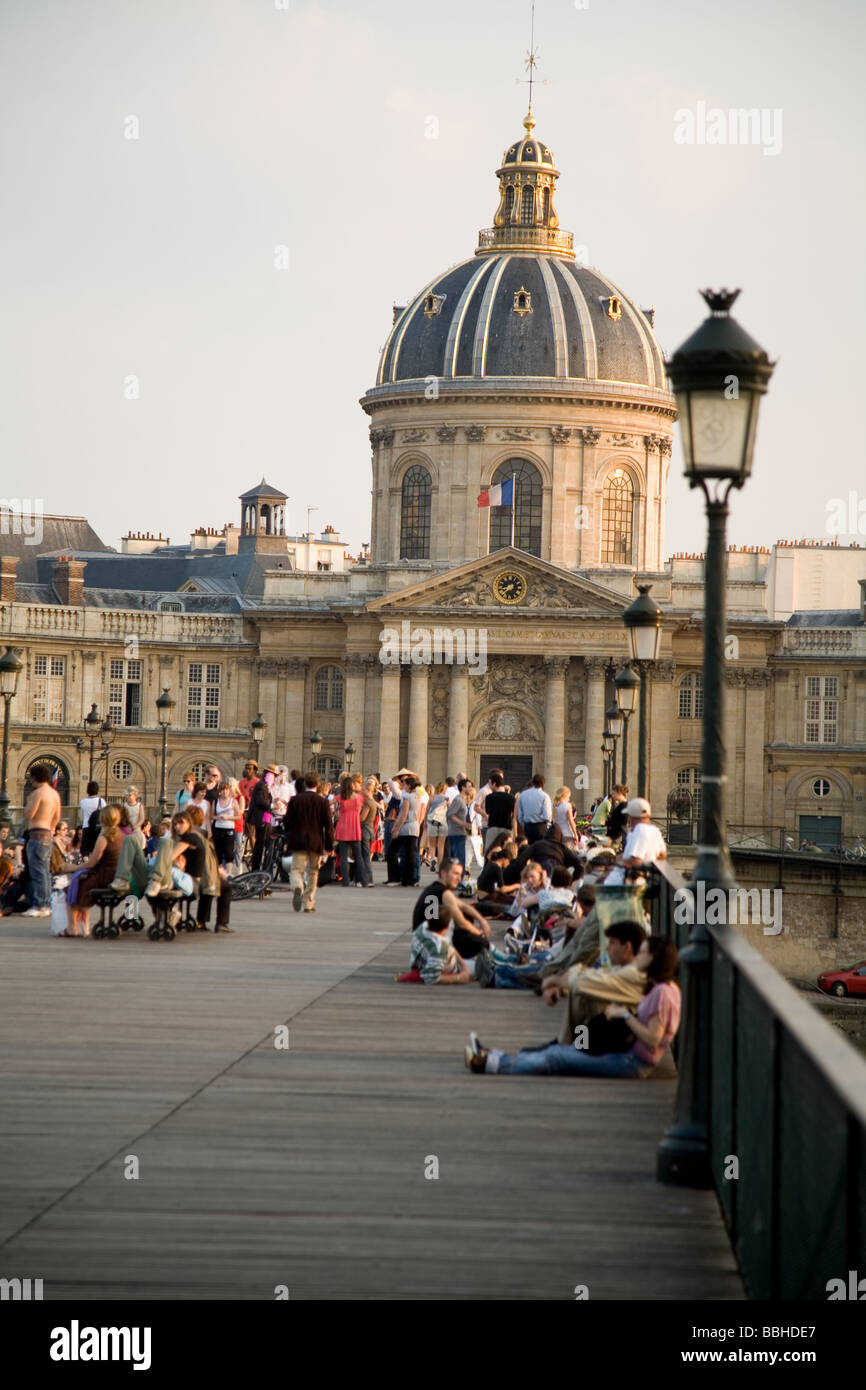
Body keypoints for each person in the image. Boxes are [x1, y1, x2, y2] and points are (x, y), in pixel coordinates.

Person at [465, 935, 680, 1075]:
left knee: (556, 1057)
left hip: (632, 1062)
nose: (638, 957)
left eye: (642, 953)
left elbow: (653, 1039)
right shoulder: (661, 987)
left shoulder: (663, 992)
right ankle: (492, 1056)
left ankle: (490, 1063)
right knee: (559, 1050)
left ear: (654, 958)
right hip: (624, 1050)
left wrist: (624, 1015)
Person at [411, 859, 491, 964]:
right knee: (479, 943)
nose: (459, 878)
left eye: (460, 874)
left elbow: (463, 906)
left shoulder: (434, 889)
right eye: (455, 874)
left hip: (421, 945)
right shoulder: (444, 893)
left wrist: (481, 920)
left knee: (466, 914)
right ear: (444, 873)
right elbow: (462, 923)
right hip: (431, 947)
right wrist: (480, 935)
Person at [63, 805, 124, 936]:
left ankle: (72, 928)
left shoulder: (104, 837)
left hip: (105, 876)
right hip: (118, 875)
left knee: (72, 889)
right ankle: (84, 927)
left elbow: (92, 862)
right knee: (82, 884)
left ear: (103, 819)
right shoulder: (122, 835)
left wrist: (72, 868)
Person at [283, 772, 334, 912]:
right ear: (318, 785)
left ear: (305, 784)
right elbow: (328, 826)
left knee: (296, 870)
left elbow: (286, 822)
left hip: (298, 841)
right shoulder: (323, 802)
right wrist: (329, 846)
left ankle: (298, 887)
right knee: (313, 872)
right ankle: (309, 903)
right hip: (316, 842)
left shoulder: (295, 800)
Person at [23, 764, 61, 917]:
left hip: (36, 835)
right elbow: (57, 817)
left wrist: (28, 802)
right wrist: (51, 829)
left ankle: (40, 905)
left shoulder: (37, 793)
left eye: (31, 777)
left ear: (35, 777)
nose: (30, 781)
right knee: (45, 872)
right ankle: (46, 905)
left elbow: (29, 814)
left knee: (38, 872)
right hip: (48, 835)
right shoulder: (54, 794)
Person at [605, 798, 667, 885]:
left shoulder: (640, 830)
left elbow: (636, 861)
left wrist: (618, 862)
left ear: (631, 817)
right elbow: (662, 854)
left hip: (623, 883)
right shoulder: (655, 830)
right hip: (642, 879)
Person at [334, 774, 372, 887]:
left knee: (343, 857)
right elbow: (370, 799)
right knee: (359, 856)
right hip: (355, 829)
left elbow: (327, 804)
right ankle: (365, 880)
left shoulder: (340, 797)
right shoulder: (359, 798)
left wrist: (336, 813)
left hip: (343, 829)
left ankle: (345, 881)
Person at [387, 775, 422, 887]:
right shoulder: (416, 796)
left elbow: (403, 815)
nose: (403, 786)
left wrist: (396, 828)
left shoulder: (407, 798)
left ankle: (395, 877)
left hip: (406, 827)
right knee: (410, 854)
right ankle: (409, 879)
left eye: (405, 784)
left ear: (409, 785)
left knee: (391, 851)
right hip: (414, 827)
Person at [248, 766, 276, 870]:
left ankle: (261, 867)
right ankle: (256, 868)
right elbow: (260, 801)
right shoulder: (261, 785)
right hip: (261, 819)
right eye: (274, 776)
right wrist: (273, 805)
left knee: (263, 842)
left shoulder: (265, 785)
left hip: (265, 818)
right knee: (260, 844)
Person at [483, 771, 516, 850]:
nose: (490, 786)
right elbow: (514, 814)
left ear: (494, 784)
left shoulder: (489, 797)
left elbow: (487, 811)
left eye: (490, 784)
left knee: (490, 851)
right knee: (506, 852)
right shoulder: (511, 798)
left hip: (493, 827)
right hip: (506, 828)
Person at [445, 778, 473, 871]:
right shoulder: (458, 800)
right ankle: (458, 881)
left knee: (456, 859)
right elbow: (450, 814)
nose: (471, 788)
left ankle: (455, 880)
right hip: (456, 833)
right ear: (463, 788)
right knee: (459, 860)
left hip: (459, 833)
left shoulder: (461, 800)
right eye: (469, 786)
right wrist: (463, 824)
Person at [212, 780, 240, 870]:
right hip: (218, 828)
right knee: (218, 853)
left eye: (227, 790)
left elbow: (238, 816)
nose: (225, 792)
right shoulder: (215, 802)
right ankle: (219, 875)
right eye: (223, 790)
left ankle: (228, 874)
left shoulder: (233, 802)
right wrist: (218, 817)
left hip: (229, 829)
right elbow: (211, 816)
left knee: (228, 853)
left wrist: (228, 818)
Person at [517, 774, 553, 842]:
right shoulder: (544, 796)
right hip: (540, 827)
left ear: (533, 782)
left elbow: (520, 816)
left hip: (528, 827)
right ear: (543, 783)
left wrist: (524, 825)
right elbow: (547, 816)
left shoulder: (523, 795)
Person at [425, 781, 448, 870]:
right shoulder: (446, 799)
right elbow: (449, 812)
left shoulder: (432, 797)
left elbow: (427, 811)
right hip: (443, 822)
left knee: (432, 844)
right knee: (441, 845)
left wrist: (424, 822)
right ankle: (440, 866)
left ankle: (433, 859)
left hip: (432, 822)